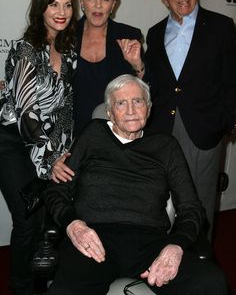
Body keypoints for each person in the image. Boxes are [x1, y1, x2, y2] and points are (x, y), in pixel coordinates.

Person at [43, 74, 227, 295]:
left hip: (150, 242)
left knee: (211, 283)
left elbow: (191, 207)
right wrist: (73, 225)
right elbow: (57, 191)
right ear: (110, 112)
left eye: (137, 101)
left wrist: (176, 245)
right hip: (94, 239)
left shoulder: (166, 146)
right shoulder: (93, 134)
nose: (131, 110)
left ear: (148, 109)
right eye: (121, 103)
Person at [145, 0, 236, 239]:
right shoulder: (155, 33)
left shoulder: (221, 26)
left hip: (204, 129)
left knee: (200, 205)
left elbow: (232, 78)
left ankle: (200, 264)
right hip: (163, 130)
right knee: (163, 203)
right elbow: (157, 84)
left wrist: (226, 121)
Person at [0, 0, 79, 295]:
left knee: (50, 218)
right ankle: (20, 288)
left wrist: (64, 152)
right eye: (53, 4)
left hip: (48, 146)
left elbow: (66, 109)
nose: (61, 11)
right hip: (12, 143)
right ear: (40, 8)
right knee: (28, 218)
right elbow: (27, 113)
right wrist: (50, 162)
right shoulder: (25, 50)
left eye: (67, 4)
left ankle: (42, 283)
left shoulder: (69, 51)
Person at [72, 0, 144, 134]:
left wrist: (137, 65)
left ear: (113, 4)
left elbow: (146, 93)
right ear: (81, 1)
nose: (98, 5)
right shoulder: (66, 36)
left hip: (118, 134)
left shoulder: (129, 36)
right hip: (73, 134)